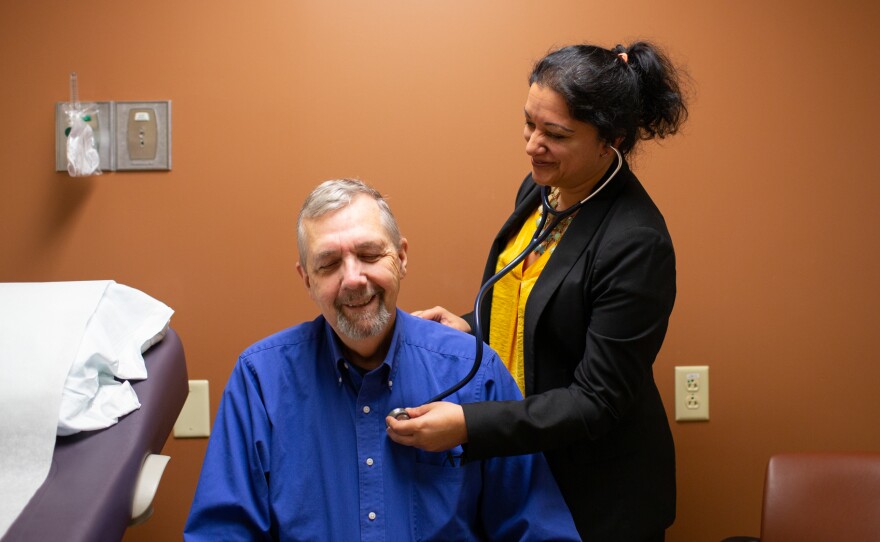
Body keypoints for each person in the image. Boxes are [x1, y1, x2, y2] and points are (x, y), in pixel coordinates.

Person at [386, 41, 689, 542]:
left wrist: (469, 426)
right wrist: (471, 323)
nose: (532, 144)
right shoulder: (543, 190)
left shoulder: (637, 242)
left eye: (555, 133)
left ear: (608, 140)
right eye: (529, 123)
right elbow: (537, 302)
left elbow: (597, 401)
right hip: (528, 469)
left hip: (599, 493)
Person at [184, 179, 580, 541]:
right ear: (307, 279)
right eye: (330, 264)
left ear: (402, 257)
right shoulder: (261, 380)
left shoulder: (474, 373)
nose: (353, 278)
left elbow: (537, 528)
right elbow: (222, 533)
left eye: (369, 254)